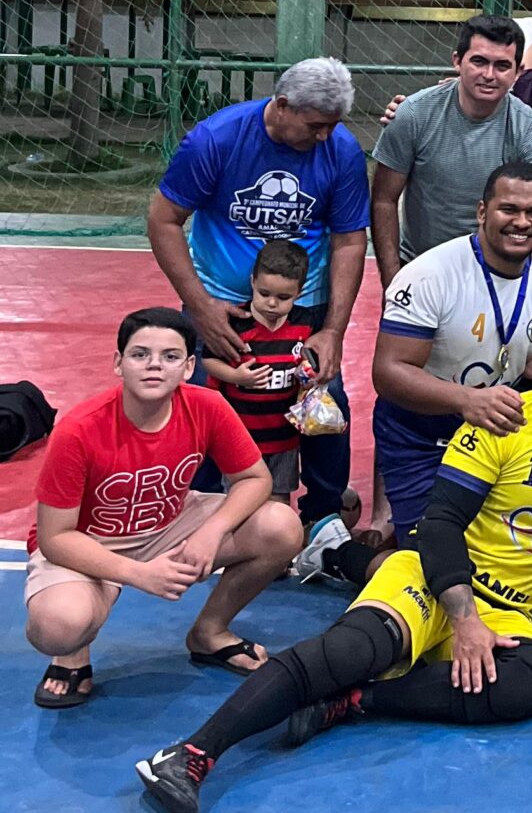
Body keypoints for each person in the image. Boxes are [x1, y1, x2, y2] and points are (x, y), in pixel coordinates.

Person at [134, 318, 532, 813]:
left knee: (530, 685)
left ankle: (354, 702)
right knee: (350, 650)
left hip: (509, 609)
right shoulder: (506, 421)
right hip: (431, 579)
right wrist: (464, 619)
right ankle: (191, 754)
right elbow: (440, 524)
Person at [26, 307, 304, 707]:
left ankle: (209, 632)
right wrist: (137, 573)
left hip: (170, 522)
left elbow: (255, 478)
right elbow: (54, 537)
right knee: (59, 626)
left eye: (170, 356)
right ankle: (72, 653)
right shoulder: (78, 430)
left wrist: (212, 531)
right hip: (88, 541)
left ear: (189, 367)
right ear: (118, 363)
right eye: (140, 354)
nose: (154, 365)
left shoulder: (207, 406)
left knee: (281, 526)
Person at [146, 57, 369, 519]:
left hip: (304, 306)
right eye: (315, 126)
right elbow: (163, 219)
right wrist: (200, 305)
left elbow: (349, 240)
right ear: (282, 105)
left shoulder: (341, 150)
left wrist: (333, 330)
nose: (324, 136)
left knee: (326, 398)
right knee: (204, 397)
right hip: (221, 304)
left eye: (332, 126)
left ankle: (324, 512)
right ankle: (202, 506)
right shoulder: (216, 140)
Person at [368, 162, 532, 552]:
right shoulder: (430, 274)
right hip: (420, 432)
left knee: (499, 553)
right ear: (482, 212)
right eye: (509, 209)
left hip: (497, 430)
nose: (522, 222)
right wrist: (467, 400)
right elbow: (388, 372)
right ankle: (341, 555)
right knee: (433, 560)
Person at [370, 16, 532, 279]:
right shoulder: (414, 114)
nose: (489, 75)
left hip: (499, 270)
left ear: (519, 71)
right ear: (457, 61)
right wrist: (393, 280)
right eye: (479, 61)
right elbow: (383, 200)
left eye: (502, 65)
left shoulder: (529, 127)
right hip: (420, 265)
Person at [195, 236, 334, 502]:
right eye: (264, 294)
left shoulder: (305, 324)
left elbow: (311, 364)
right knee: (238, 500)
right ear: (252, 282)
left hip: (284, 439)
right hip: (240, 438)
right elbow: (209, 360)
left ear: (300, 292)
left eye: (283, 297)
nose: (272, 303)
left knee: (279, 500)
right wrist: (235, 376)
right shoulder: (236, 325)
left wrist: (308, 376)